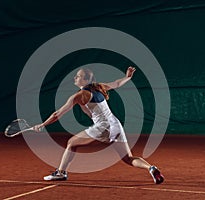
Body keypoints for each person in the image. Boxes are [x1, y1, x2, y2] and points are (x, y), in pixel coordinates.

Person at [33, 66, 164, 184]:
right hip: (116, 125)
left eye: (78, 76)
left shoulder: (79, 95)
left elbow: (57, 114)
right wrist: (128, 77)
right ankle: (151, 168)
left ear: (85, 80)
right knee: (128, 158)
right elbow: (117, 83)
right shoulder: (99, 87)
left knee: (71, 142)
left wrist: (42, 124)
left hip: (104, 127)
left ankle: (60, 173)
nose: (75, 77)